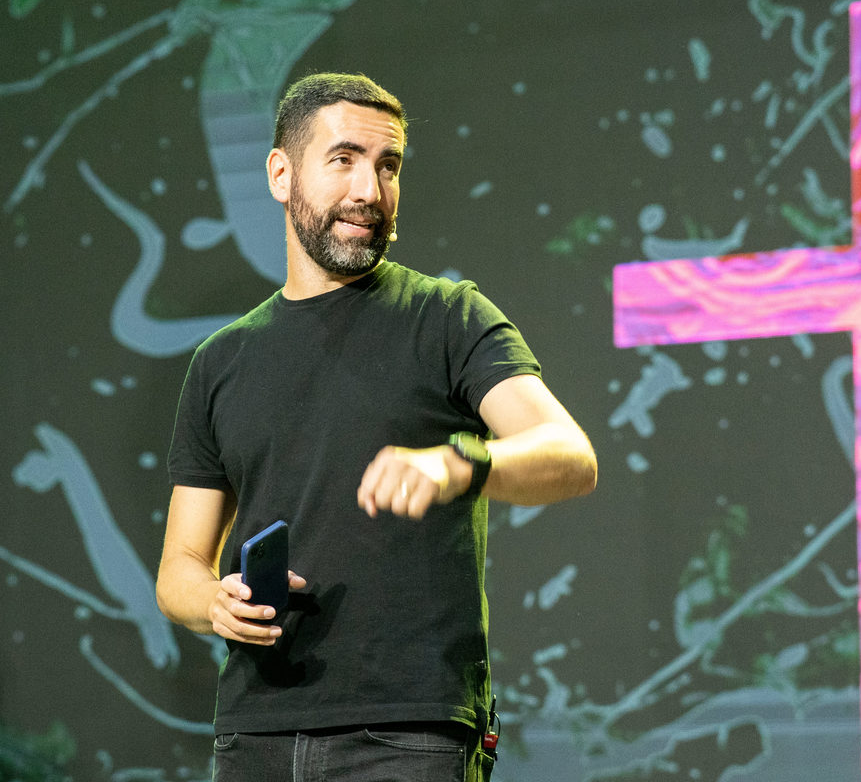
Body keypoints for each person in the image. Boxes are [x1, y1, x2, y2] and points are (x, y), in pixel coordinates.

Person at [155, 72, 597, 782]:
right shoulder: (221, 362)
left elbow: (570, 456)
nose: (370, 189)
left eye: (388, 166)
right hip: (254, 736)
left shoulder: (447, 317)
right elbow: (179, 566)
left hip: (408, 733)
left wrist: (457, 463)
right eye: (344, 160)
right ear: (280, 174)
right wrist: (214, 602)